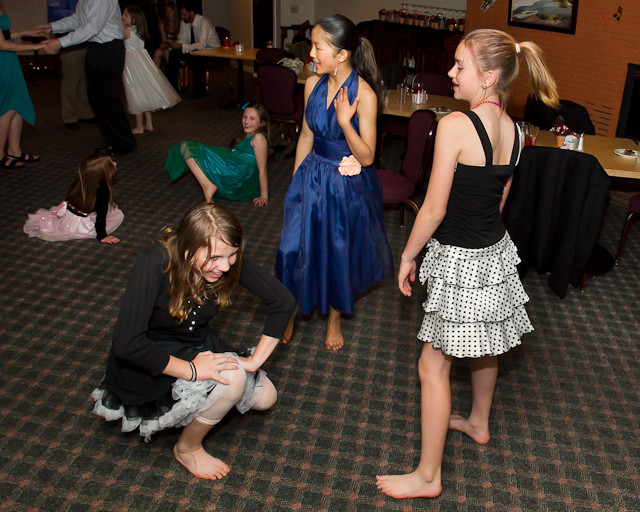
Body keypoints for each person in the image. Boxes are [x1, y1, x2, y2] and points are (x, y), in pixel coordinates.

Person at [375, 29, 559, 499]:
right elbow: (499, 200)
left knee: (431, 367)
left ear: (489, 76)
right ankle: (478, 422)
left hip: (461, 257)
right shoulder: (518, 132)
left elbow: (433, 209)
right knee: (484, 343)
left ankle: (428, 477)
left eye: (460, 66)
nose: (452, 73)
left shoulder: (457, 126)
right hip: (494, 252)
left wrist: (408, 254)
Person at [91, 203, 296, 480]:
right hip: (151, 355)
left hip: (196, 343)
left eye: (232, 255)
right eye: (214, 258)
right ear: (188, 249)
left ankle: (196, 404)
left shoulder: (223, 255)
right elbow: (128, 344)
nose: (224, 267)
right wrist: (194, 371)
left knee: (265, 399)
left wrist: (256, 360)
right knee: (233, 380)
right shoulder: (155, 260)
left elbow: (282, 302)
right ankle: (187, 447)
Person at [275, 14, 393, 351]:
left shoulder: (364, 95)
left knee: (336, 250)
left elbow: (368, 157)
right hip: (311, 174)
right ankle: (290, 309)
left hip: (344, 184)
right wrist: (296, 183)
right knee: (293, 246)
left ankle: (335, 319)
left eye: (317, 47)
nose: (311, 54)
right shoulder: (312, 83)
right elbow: (305, 138)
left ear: (341, 55)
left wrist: (345, 122)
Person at [35, 0, 137, 155]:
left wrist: (60, 42)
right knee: (96, 97)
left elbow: (92, 27)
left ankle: (122, 143)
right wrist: (52, 27)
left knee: (106, 98)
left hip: (109, 48)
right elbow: (78, 20)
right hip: (96, 48)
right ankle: (115, 141)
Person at [165, 103, 269, 206]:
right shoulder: (250, 134)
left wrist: (264, 196)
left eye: (252, 118)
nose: (247, 121)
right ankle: (207, 185)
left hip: (238, 174)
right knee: (187, 148)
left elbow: (262, 169)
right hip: (234, 165)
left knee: (187, 147)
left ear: (261, 122)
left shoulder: (259, 138)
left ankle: (207, 185)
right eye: (245, 117)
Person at [23, 153, 123, 242]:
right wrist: (102, 236)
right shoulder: (102, 191)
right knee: (117, 216)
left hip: (68, 217)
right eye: (111, 164)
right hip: (79, 225)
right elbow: (101, 216)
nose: (115, 164)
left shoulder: (81, 182)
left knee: (111, 210)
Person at [122, 5, 180, 134]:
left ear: (134, 19)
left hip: (133, 65)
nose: (123, 17)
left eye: (126, 15)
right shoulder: (138, 30)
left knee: (136, 94)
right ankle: (148, 123)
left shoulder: (126, 31)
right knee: (145, 92)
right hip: (143, 62)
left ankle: (139, 126)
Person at [0, 3, 43, 168]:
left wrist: (27, 32)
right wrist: (33, 46)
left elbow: (4, 34)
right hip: (3, 60)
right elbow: (2, 44)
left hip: (8, 59)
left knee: (17, 104)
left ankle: (14, 151)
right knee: (8, 107)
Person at [47, 0, 94, 130]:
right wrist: (85, 14)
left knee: (84, 77)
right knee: (71, 78)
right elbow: (55, 13)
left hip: (83, 39)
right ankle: (69, 115)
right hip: (67, 39)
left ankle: (85, 112)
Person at [165, 0, 220, 99]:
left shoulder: (204, 22)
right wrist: (177, 45)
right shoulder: (185, 22)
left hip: (212, 52)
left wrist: (182, 46)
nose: (182, 17)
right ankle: (172, 89)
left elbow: (201, 45)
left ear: (191, 13)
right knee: (173, 54)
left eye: (184, 15)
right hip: (197, 51)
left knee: (196, 58)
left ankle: (199, 91)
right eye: (181, 15)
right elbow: (183, 39)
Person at [152, 2, 179, 68]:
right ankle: (154, 75)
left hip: (177, 46)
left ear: (174, 12)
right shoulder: (162, 22)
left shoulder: (180, 23)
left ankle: (174, 74)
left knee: (166, 52)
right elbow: (163, 39)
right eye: (166, 10)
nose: (168, 13)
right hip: (167, 45)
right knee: (158, 52)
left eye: (170, 10)